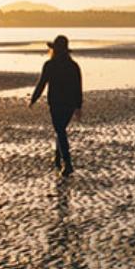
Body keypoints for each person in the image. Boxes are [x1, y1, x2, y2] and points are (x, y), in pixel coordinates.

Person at [29, 34, 82, 177]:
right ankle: (58, 158)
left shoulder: (49, 65)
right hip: (69, 104)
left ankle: (68, 163)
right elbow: (78, 87)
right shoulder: (73, 66)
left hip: (56, 103)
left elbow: (42, 84)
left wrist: (34, 98)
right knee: (61, 129)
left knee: (60, 130)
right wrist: (78, 106)